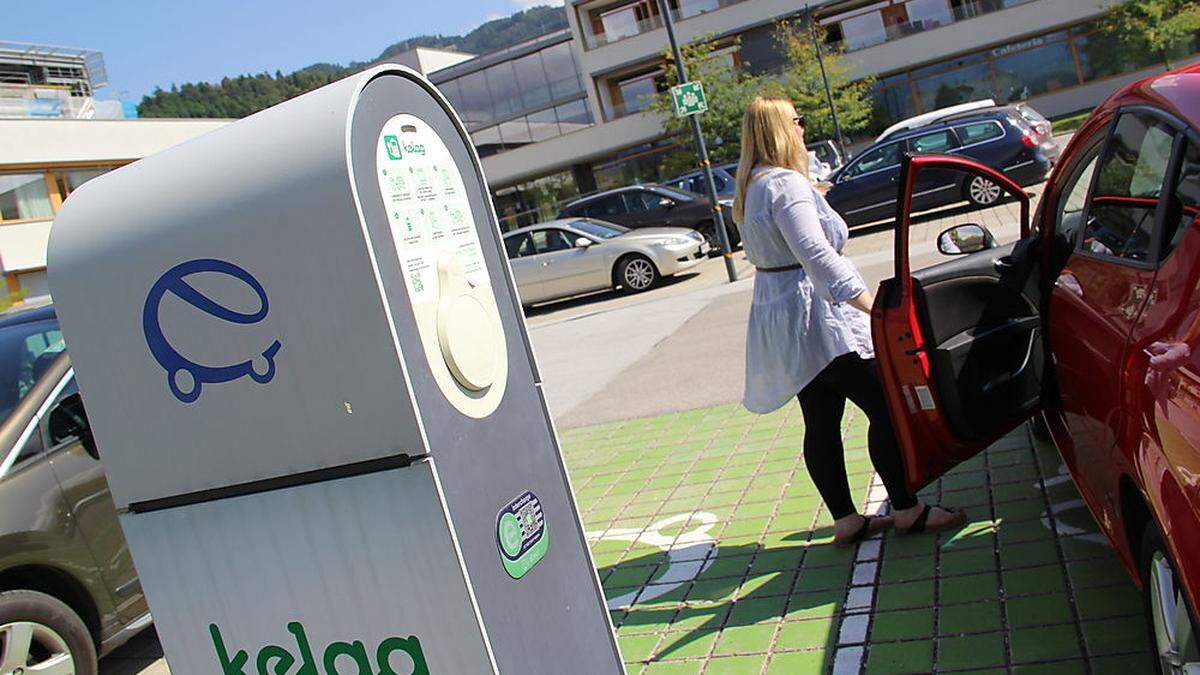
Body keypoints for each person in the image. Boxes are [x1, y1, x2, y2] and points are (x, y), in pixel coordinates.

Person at [731, 97, 966, 547]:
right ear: (782, 129)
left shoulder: (752, 187)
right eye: (797, 121)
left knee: (820, 418)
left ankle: (847, 519)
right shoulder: (785, 184)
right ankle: (906, 509)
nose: (803, 128)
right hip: (820, 317)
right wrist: (872, 305)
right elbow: (816, 255)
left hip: (786, 318)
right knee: (886, 406)